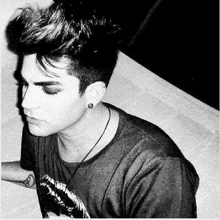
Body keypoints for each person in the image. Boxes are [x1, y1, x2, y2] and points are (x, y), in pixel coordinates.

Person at [2, 0, 199, 218]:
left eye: (48, 89)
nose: (26, 103)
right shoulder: (42, 124)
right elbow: (37, 175)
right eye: (24, 84)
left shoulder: (156, 170)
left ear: (93, 93)